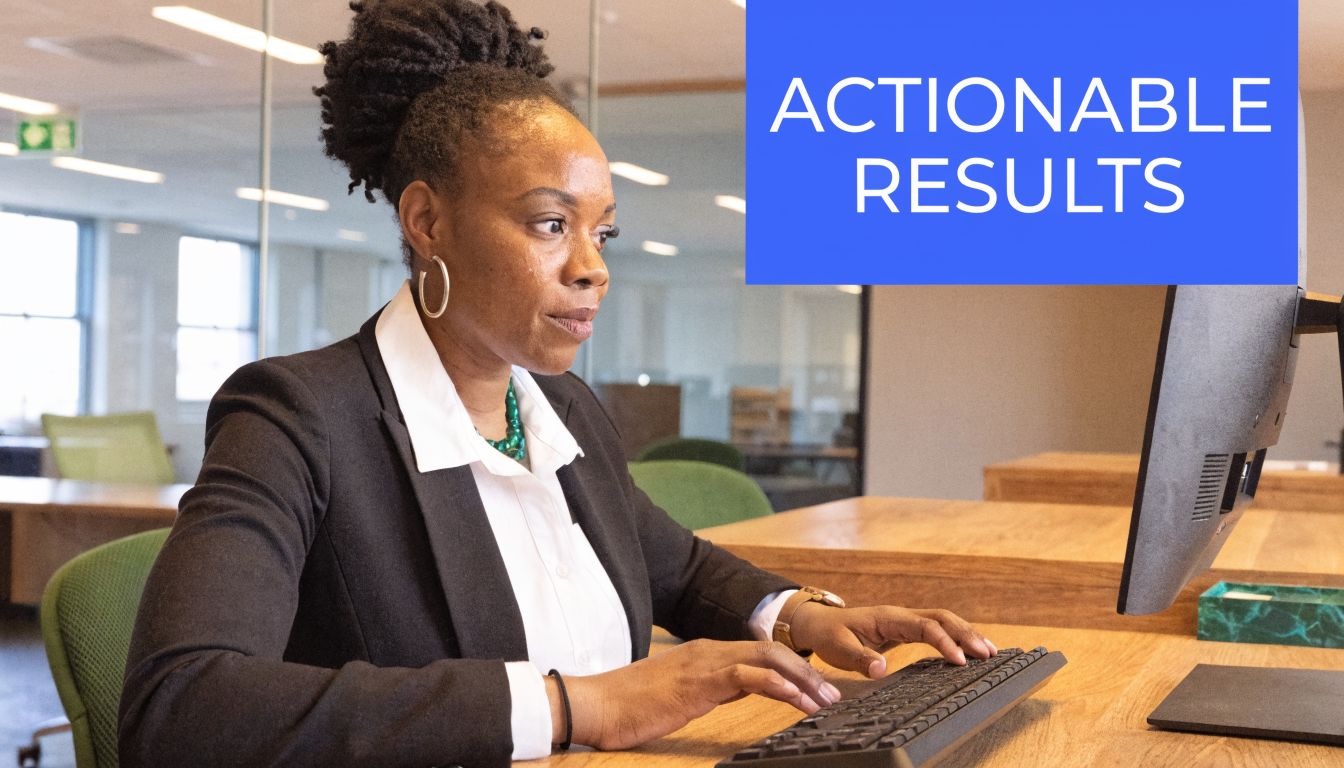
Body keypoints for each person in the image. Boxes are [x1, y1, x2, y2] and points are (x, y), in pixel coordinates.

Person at [118, 1, 995, 765]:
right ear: (427, 221)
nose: (591, 268)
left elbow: (673, 567)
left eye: (601, 233)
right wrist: (577, 706)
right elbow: (182, 705)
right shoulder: (298, 418)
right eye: (549, 224)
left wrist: (801, 615)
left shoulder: (557, 406)